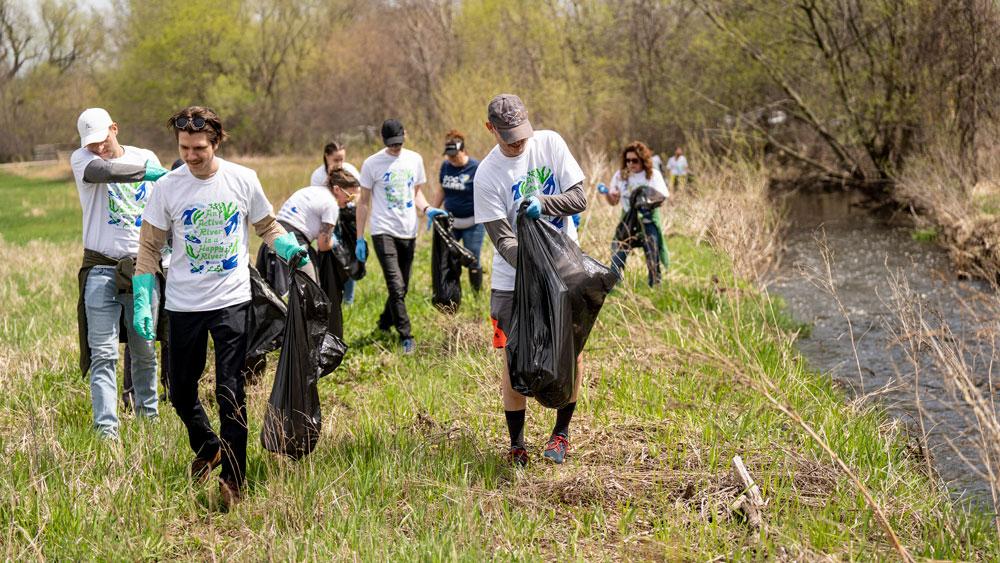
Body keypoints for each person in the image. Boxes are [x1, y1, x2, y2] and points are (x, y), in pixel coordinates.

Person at [132, 106, 309, 509]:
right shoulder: (168, 188)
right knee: (179, 391)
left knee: (231, 392)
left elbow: (267, 226)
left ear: (215, 143)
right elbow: (149, 247)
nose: (191, 156)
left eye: (198, 148)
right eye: (184, 148)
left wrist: (288, 250)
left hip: (231, 301)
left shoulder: (242, 180)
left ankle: (233, 478)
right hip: (183, 304)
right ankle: (208, 444)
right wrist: (145, 298)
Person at [473, 93, 588, 466]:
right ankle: (517, 443)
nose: (518, 140)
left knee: (569, 350)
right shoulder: (487, 175)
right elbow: (503, 239)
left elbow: (579, 197)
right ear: (491, 129)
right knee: (514, 357)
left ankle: (561, 434)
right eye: (508, 135)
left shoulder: (550, 143)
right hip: (514, 278)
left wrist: (546, 202)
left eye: (521, 131)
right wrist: (533, 262)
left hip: (565, 267)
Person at [71, 107, 169, 440]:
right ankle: (106, 432)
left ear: (115, 127)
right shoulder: (83, 159)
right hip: (100, 268)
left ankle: (148, 423)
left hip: (142, 269)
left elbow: (160, 211)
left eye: (101, 139)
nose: (96, 147)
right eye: (89, 142)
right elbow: (102, 170)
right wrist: (146, 173)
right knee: (104, 354)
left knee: (144, 350)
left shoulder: (146, 156)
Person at [355, 119, 436, 354]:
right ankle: (406, 336)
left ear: (405, 136)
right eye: (391, 145)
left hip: (408, 230)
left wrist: (428, 209)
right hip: (383, 230)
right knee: (396, 285)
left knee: (403, 288)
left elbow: (417, 193)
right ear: (383, 140)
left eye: (399, 143)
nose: (395, 148)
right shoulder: (372, 164)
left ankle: (383, 323)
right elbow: (363, 202)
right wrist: (360, 237)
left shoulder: (414, 159)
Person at [601, 141, 670, 286]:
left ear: (643, 160)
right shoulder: (621, 176)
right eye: (627, 160)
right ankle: (615, 286)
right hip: (628, 220)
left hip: (647, 220)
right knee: (618, 253)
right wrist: (607, 193)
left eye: (635, 160)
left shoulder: (653, 175)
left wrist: (647, 202)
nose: (630, 163)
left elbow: (663, 197)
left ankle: (655, 286)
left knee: (652, 254)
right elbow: (613, 201)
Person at [427, 129, 484, 292]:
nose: (451, 159)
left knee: (472, 258)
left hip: (472, 223)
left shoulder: (476, 167)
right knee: (450, 258)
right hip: (451, 222)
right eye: (449, 155)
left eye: (454, 155)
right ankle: (453, 292)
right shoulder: (446, 166)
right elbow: (442, 190)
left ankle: (476, 295)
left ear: (463, 150)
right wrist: (433, 210)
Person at [311, 141, 362, 304]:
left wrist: (349, 202)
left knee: (348, 254)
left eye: (342, 159)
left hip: (347, 216)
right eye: (336, 160)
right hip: (328, 219)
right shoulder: (318, 176)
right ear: (327, 157)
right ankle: (328, 294)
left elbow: (359, 193)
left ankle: (348, 299)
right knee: (328, 255)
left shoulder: (350, 170)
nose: (339, 163)